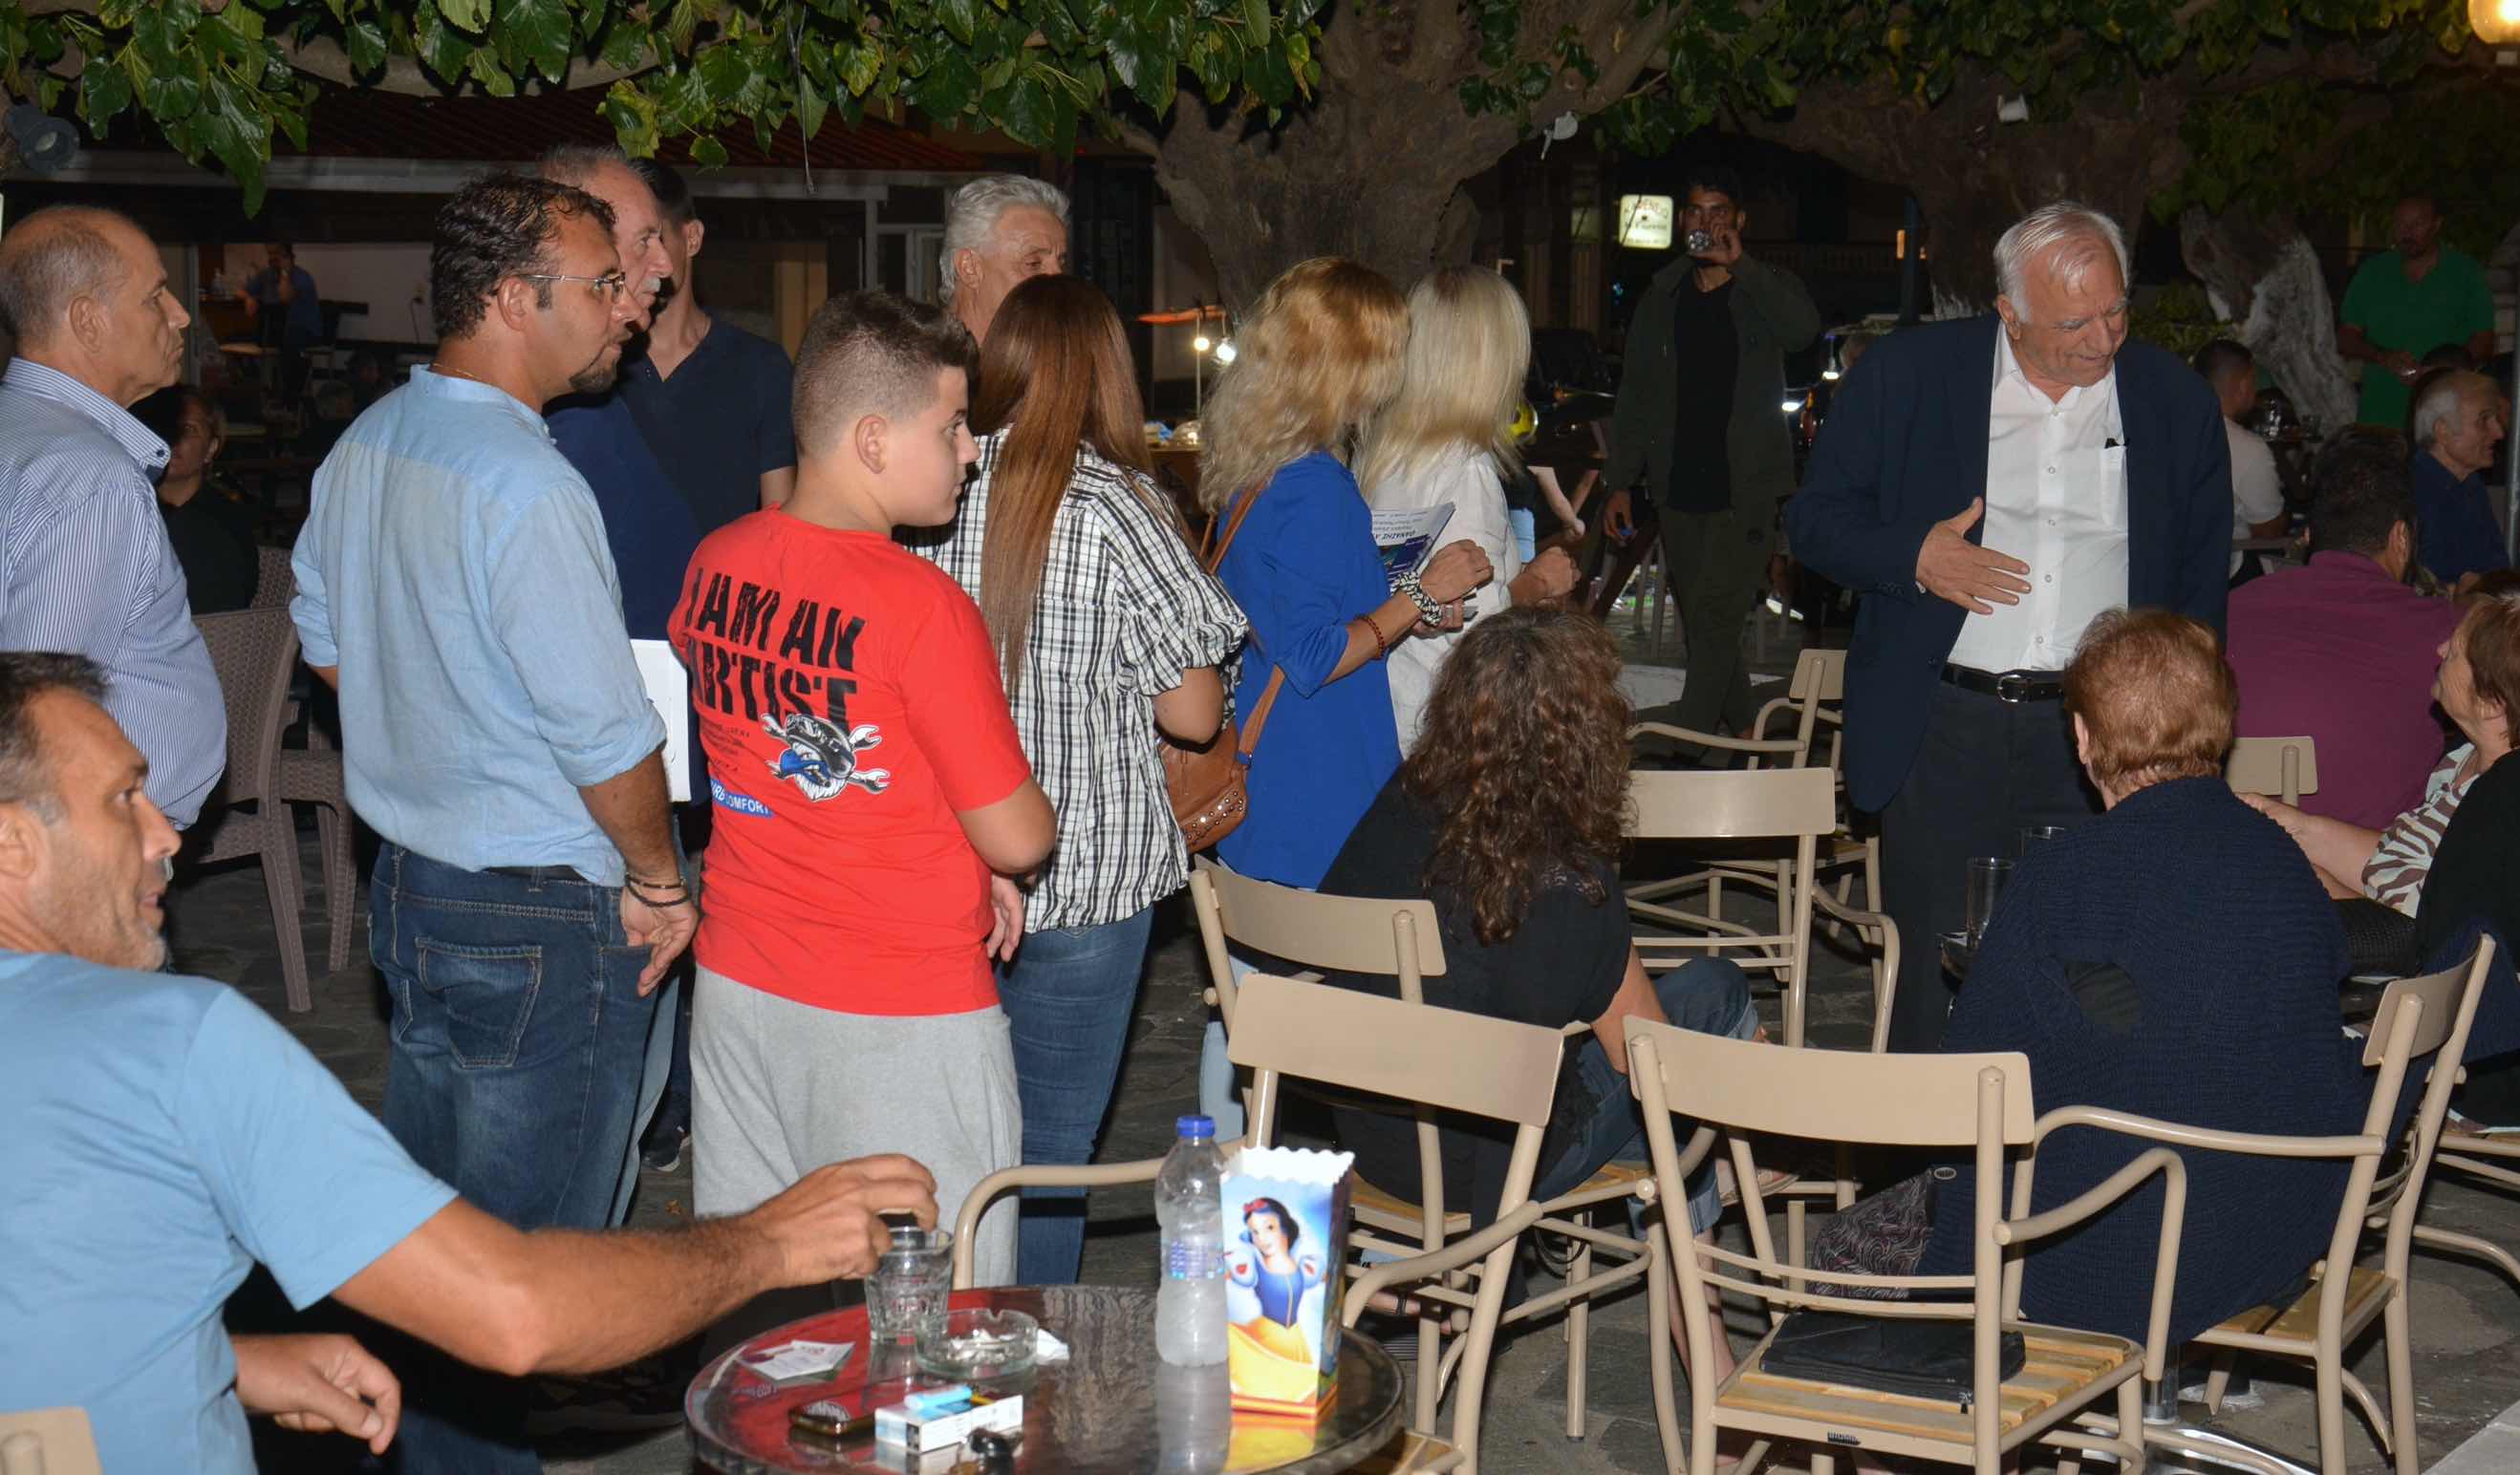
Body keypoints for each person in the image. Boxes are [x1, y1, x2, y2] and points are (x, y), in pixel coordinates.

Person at [0, 650, 941, 1474]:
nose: (166, 832)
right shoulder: (173, 1042)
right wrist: (772, 1241)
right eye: (122, 799)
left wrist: (222, 1363)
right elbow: (515, 1311)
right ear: (13, 842)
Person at [290, 172, 694, 1474]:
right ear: (516, 301)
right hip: (538, 914)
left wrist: (438, 721)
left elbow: (328, 643)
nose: (627, 306)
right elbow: (606, 734)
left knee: (434, 1251)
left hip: (414, 887)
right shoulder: (526, 484)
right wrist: (660, 879)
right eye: (601, 284)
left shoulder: (372, 440)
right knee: (523, 1289)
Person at [1809, 609, 2363, 1353]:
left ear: (2080, 737)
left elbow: (1974, 1085)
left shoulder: (2068, 873)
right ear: (2221, 728)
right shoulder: (2276, 853)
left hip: (2133, 1251)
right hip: (2277, 1218)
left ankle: (1949, 1411)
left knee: (1842, 1247)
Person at [668, 290, 1056, 1288]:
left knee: (768, 1295)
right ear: (874, 440)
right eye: (953, 425)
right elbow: (1019, 837)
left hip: (740, 985)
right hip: (900, 1013)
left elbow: (764, 748)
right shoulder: (920, 605)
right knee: (940, 1319)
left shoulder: (718, 560)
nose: (971, 452)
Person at [1784, 201, 2231, 1052]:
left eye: (2114, 311)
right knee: (1933, 977)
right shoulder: (1909, 376)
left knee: (2093, 978)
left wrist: (2178, 730)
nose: (2101, 340)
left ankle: (2067, 1134)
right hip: (1944, 725)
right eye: (2072, 324)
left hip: (2103, 735)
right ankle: (1929, 1139)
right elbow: (1811, 523)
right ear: (2008, 313)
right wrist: (1912, 555)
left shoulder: (2171, 400)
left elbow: (2199, 586)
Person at [1315, 606, 1762, 1382]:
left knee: (1669, 1090)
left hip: (1372, 1136)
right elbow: (1647, 1063)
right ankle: (1717, 1310)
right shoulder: (1568, 881)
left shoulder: (1397, 808)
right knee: (1710, 1000)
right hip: (1483, 1164)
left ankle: (1726, 1168)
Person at [913, 273, 1246, 1285]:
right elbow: (1192, 715)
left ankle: (950, 1328)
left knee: (958, 1142)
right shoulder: (1114, 503)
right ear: (1109, 374)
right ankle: (1028, 1348)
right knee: (1050, 1153)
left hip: (953, 867)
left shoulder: (939, 485)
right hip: (1088, 875)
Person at [1195, 256, 1494, 1133]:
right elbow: (1318, 654)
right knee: (1345, 1002)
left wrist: (1402, 607)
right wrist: (1425, 593)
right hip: (1319, 778)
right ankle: (1358, 1168)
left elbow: (1298, 617)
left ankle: (1229, 1156)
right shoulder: (1317, 484)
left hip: (1270, 768)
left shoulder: (1261, 469)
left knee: (1249, 993)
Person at [0, 205, 225, 827]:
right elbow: (45, 710)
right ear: (88, 321)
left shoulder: (19, 432)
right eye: (155, 296)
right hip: (86, 837)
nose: (179, 315)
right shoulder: (89, 477)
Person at [1600, 163, 1821, 752]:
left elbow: (1803, 330)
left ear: (1739, 220)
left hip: (1745, 489)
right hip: (1678, 487)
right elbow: (1636, 396)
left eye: (1718, 212)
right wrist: (1620, 481)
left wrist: (1741, 264)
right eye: (1696, 212)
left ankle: (1687, 742)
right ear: (1682, 221)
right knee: (1704, 623)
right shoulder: (1662, 296)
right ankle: (1751, 735)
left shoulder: (1761, 288)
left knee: (1718, 618)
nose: (1706, 223)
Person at [1355, 266, 1580, 745]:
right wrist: (1540, 581)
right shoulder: (1465, 468)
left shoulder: (1379, 451)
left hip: (1389, 706)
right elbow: (1477, 626)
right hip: (1448, 723)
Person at [2245, 573, 2520, 912]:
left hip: (2405, 946)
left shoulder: (2502, 808)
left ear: (2490, 703)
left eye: (2455, 651)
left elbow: (2423, 928)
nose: (2440, 649)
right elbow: (2397, 860)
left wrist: (2308, 882)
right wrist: (2297, 828)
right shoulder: (2463, 759)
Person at [2226, 440, 2465, 830]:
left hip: (2234, 844)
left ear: (2307, 536)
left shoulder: (2228, 609)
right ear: (2401, 538)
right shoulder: (2446, 630)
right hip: (2374, 859)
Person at [617, 157, 799, 530]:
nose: (642, 262)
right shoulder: (596, 365)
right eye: (627, 245)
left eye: (652, 239)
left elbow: (779, 526)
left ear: (692, 238)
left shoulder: (760, 369)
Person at [2339, 197, 2496, 432]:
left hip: (2444, 415)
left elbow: (2484, 340)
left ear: (2436, 225)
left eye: (2417, 224)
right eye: (2401, 224)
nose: (2407, 232)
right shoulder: (2372, 272)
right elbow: (2345, 338)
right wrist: (2383, 356)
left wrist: (2440, 371)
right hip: (2379, 415)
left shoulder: (2466, 272)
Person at [134, 384, 259, 614]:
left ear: (211, 448)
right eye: (165, 427)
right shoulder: (133, 507)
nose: (172, 438)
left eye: (189, 429)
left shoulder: (220, 523)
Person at [2190, 338, 2290, 577]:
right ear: (2244, 386)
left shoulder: (2163, 430)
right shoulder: (2248, 448)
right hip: (2225, 573)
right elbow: (2268, 531)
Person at [938, 173, 1070, 346]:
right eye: (1034, 264)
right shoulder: (917, 359)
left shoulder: (1059, 353)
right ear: (969, 268)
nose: (1059, 282)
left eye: (1061, 263)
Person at [2409, 368, 2511, 587]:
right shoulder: (2412, 493)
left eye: (2496, 419)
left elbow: (2495, 571)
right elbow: (2427, 588)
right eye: (2484, 420)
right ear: (2443, 431)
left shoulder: (2469, 483)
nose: (2499, 432)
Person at [243, 241, 323, 405]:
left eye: (276, 254)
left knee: (290, 345)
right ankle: (256, 392)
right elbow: (243, 290)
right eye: (270, 253)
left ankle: (289, 399)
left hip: (303, 330)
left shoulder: (302, 277)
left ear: (288, 256)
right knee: (237, 340)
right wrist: (249, 297)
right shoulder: (266, 275)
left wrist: (285, 273)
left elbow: (286, 297)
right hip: (276, 329)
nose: (272, 258)